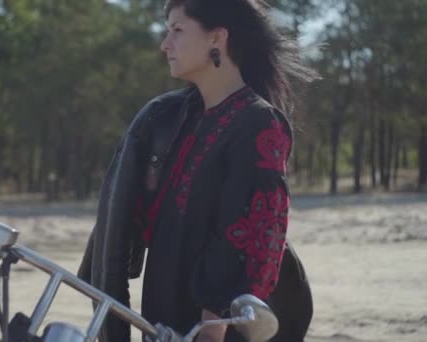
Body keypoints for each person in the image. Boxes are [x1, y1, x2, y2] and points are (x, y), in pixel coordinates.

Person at [78, 0, 318, 341]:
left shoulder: (258, 122)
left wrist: (213, 325)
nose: (165, 43)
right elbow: (117, 224)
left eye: (177, 30)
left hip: (213, 328)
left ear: (216, 39)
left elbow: (246, 232)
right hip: (160, 315)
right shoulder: (168, 117)